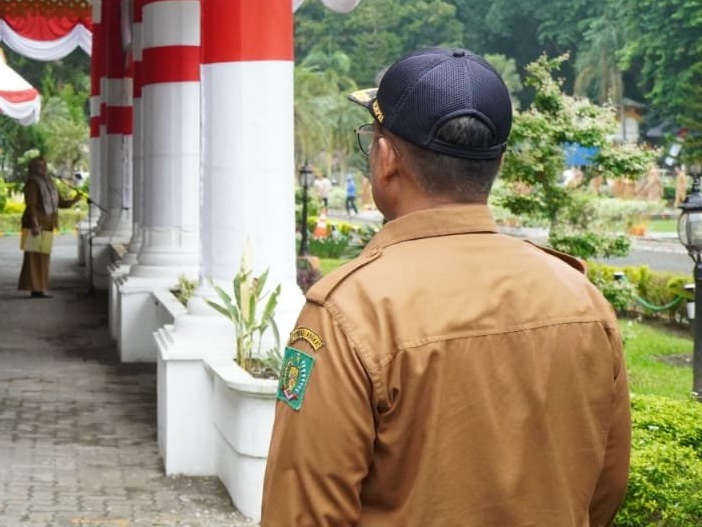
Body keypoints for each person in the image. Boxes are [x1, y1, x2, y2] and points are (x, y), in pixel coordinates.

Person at [261, 48, 630, 526]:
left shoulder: (350, 312)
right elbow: (605, 488)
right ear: (496, 162)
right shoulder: (582, 299)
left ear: (387, 158)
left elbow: (302, 513)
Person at [18, 156, 81, 298]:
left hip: (47, 225)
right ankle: (36, 288)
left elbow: (60, 203)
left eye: (45, 165)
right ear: (33, 168)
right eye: (40, 166)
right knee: (34, 258)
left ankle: (40, 287)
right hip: (35, 225)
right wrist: (35, 224)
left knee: (43, 258)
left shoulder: (50, 183)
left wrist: (73, 201)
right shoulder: (33, 183)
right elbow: (31, 206)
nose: (44, 168)